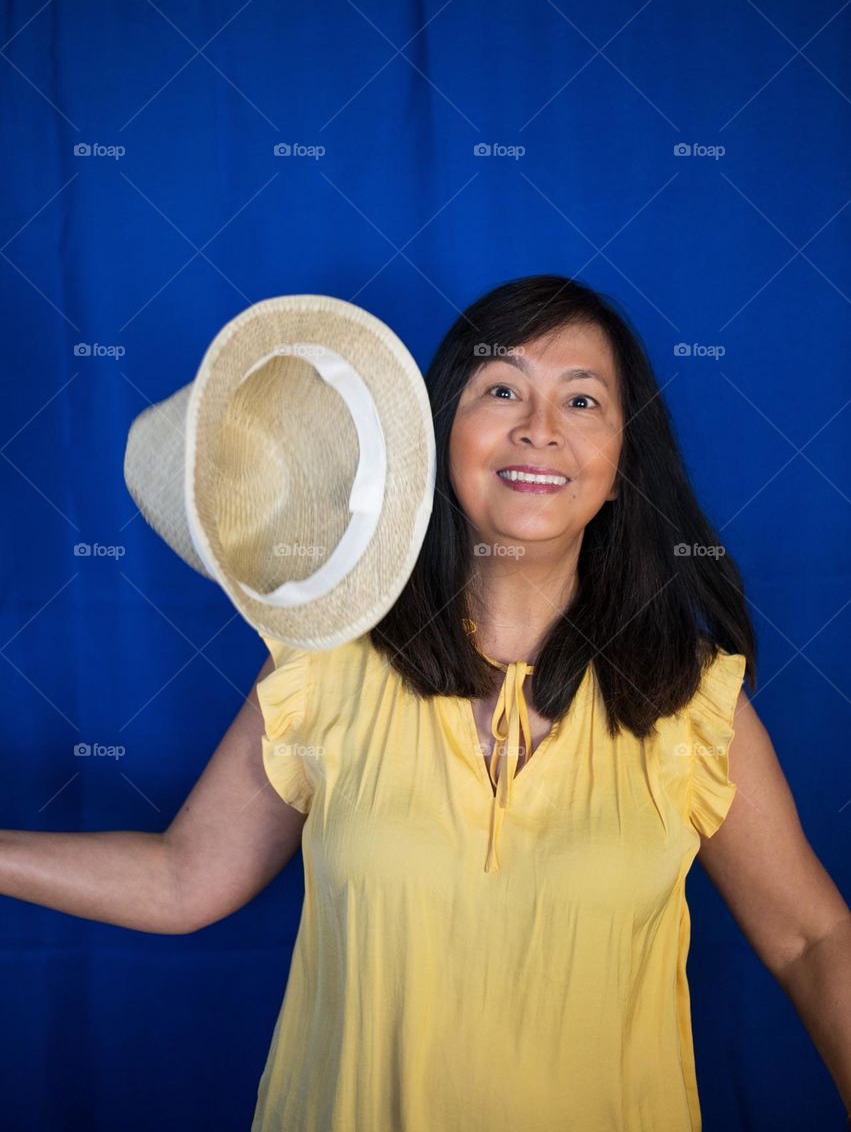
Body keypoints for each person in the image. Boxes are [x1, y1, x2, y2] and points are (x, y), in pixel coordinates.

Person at [2, 275, 850, 1131]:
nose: (539, 428)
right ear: (442, 436)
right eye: (502, 389)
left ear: (622, 465)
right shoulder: (326, 665)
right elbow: (184, 878)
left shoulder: (691, 700)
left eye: (582, 400)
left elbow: (812, 943)